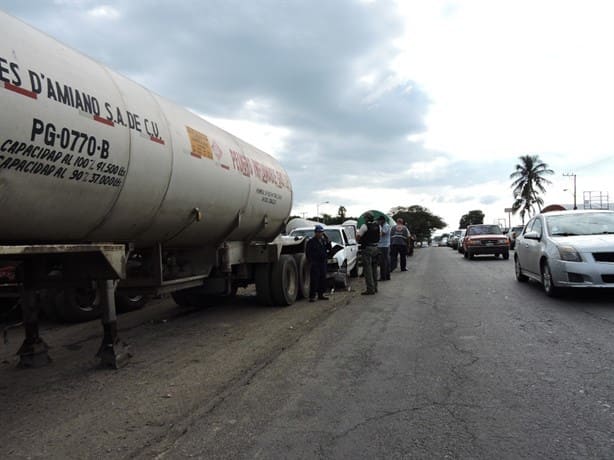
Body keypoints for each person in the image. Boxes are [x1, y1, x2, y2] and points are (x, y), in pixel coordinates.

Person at [356, 212, 380, 295]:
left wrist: (358, 240)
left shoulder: (364, 226)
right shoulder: (377, 226)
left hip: (367, 248)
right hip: (376, 248)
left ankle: (370, 289)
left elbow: (358, 236)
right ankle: (375, 287)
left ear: (366, 218)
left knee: (367, 270)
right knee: (374, 269)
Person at [305, 224, 330, 302]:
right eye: (318, 232)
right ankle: (312, 296)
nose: (320, 234)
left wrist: (328, 241)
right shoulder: (311, 242)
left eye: (321, 232)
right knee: (315, 280)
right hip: (315, 263)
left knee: (322, 279)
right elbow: (308, 253)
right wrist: (311, 261)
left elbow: (329, 249)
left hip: (323, 263)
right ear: (315, 233)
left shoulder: (323, 241)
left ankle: (321, 294)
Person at [377, 215, 391, 281]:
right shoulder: (381, 226)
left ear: (382, 220)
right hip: (382, 245)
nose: (378, 221)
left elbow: (382, 234)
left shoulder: (386, 226)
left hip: (384, 246)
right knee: (384, 261)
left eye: (379, 220)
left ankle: (383, 277)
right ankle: (386, 276)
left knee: (383, 262)